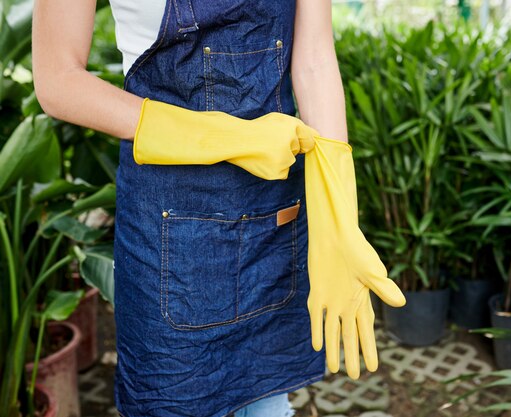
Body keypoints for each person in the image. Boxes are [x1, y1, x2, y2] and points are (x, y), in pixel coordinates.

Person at [32, 1, 405, 416]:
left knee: (267, 402)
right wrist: (229, 139)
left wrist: (338, 218)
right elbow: (58, 80)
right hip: (169, 240)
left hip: (273, 220)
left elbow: (314, 56)